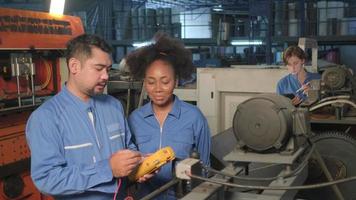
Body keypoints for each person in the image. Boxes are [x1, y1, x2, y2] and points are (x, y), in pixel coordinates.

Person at [26, 34, 149, 200]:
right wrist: (107, 169)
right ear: (74, 66)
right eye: (98, 69)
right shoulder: (46, 118)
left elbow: (128, 147)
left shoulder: (114, 106)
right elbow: (48, 179)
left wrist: (138, 165)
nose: (105, 76)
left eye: (107, 69)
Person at [126, 33, 211, 199]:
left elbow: (205, 168)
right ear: (144, 82)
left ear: (176, 81)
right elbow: (130, 170)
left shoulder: (194, 117)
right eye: (151, 82)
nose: (158, 88)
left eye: (165, 82)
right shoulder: (135, 120)